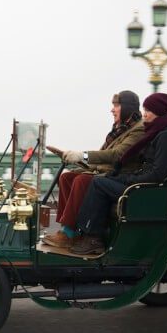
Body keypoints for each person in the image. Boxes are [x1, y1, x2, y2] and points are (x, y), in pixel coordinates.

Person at [71, 93, 167, 255]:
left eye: (148, 110)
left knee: (99, 184)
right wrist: (122, 177)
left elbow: (157, 174)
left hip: (148, 191)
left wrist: (130, 179)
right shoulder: (158, 133)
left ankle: (93, 238)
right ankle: (83, 234)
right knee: (102, 180)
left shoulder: (166, 136)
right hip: (144, 186)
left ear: (158, 112)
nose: (145, 114)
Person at [43, 90, 145, 248]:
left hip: (119, 175)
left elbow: (116, 155)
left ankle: (68, 233)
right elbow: (103, 156)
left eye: (116, 105)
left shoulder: (138, 129)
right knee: (66, 177)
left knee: (82, 181)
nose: (112, 109)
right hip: (106, 172)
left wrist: (81, 156)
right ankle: (69, 230)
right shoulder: (120, 128)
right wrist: (78, 161)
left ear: (127, 107)